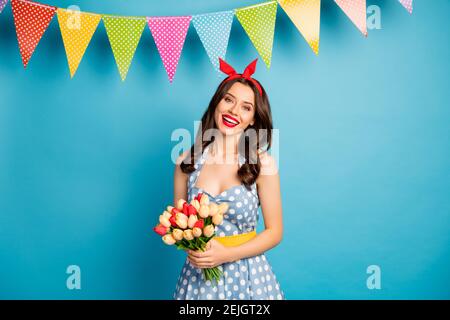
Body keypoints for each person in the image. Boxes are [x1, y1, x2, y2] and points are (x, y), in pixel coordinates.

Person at [172, 58, 285, 300]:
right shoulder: (186, 162)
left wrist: (227, 254)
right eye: (229, 100)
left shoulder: (263, 164)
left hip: (248, 278)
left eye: (246, 107)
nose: (234, 111)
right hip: (199, 280)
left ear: (254, 118)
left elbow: (274, 232)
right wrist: (193, 247)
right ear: (217, 103)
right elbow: (178, 224)